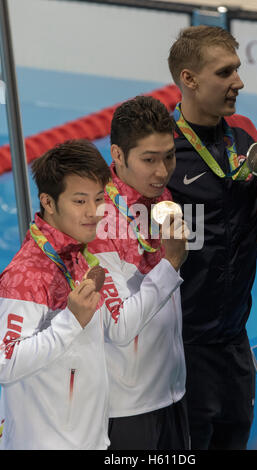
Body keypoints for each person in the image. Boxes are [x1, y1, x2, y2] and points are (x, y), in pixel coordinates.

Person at [0, 139, 186, 450]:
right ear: (48, 201)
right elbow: (5, 363)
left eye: (99, 199)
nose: (94, 213)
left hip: (92, 440)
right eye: (79, 201)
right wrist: (71, 321)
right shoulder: (28, 274)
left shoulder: (80, 254)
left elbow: (118, 327)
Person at [167, 25, 257, 450]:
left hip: (234, 343)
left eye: (237, 70)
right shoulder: (162, 153)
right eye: (225, 73)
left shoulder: (243, 134)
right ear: (189, 79)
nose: (238, 82)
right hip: (180, 346)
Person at [91, 95, 189, 450]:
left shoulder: (162, 198)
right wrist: (172, 263)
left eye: (169, 156)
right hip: (126, 409)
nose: (162, 171)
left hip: (172, 393)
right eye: (149, 160)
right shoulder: (98, 219)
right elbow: (117, 327)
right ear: (117, 155)